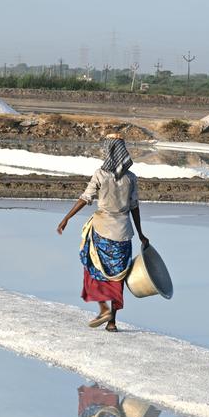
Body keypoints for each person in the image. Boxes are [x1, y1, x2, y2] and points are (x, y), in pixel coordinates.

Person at [56, 135, 150, 332]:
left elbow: (85, 198)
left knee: (93, 269)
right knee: (117, 277)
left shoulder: (100, 174)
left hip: (102, 231)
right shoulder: (131, 178)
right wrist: (140, 233)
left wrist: (67, 218)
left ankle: (103, 308)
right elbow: (134, 207)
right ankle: (112, 322)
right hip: (123, 234)